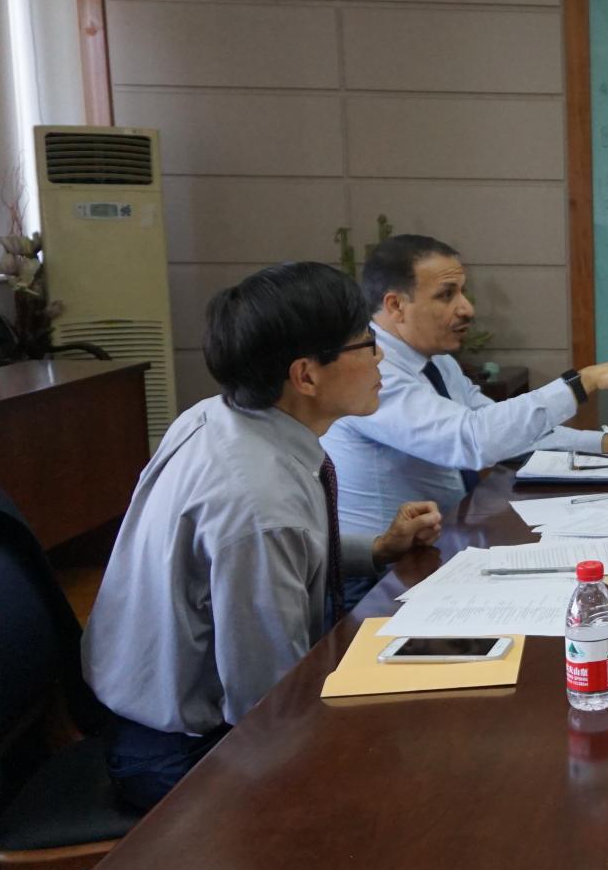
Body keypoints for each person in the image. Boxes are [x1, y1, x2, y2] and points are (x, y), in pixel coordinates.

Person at [83, 262, 442, 810]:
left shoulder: (222, 417)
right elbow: (268, 702)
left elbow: (279, 556)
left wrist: (376, 549)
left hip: (175, 713)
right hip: (185, 752)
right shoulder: (258, 503)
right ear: (305, 376)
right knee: (414, 780)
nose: (381, 359)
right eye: (367, 344)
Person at [324, 235, 608, 535]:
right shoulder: (371, 372)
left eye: (463, 292)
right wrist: (582, 382)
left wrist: (606, 443)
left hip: (445, 537)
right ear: (396, 305)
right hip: (386, 573)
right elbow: (473, 440)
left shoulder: (437, 361)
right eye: (446, 295)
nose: (467, 309)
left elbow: (507, 432)